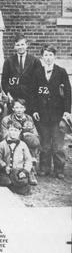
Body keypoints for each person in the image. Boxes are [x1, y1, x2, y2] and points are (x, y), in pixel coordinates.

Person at [32, 45, 71, 179]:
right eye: (46, 55)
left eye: (50, 55)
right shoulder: (37, 72)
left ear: (54, 56)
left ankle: (59, 169)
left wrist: (67, 111)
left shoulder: (61, 72)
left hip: (57, 114)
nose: (48, 58)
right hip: (42, 115)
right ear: (42, 57)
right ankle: (44, 167)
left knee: (58, 144)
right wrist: (35, 110)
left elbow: (67, 93)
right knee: (45, 143)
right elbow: (33, 93)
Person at [0, 98, 39, 185]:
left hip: (24, 143)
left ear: (25, 108)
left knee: (31, 140)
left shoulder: (29, 118)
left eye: (21, 108)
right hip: (11, 143)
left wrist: (27, 136)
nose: (19, 110)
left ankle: (30, 171)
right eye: (16, 108)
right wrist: (20, 137)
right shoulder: (6, 119)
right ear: (13, 109)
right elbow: (4, 135)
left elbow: (35, 134)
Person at [1, 34, 41, 114]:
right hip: (14, 98)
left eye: (22, 44)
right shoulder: (9, 61)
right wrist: (9, 94)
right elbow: (4, 80)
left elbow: (39, 81)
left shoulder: (35, 61)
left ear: (27, 45)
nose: (20, 47)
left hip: (30, 99)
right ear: (14, 47)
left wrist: (35, 97)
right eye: (18, 45)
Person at [0, 121, 33, 194]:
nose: (13, 133)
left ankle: (21, 183)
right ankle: (11, 185)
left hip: (18, 171)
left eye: (15, 130)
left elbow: (28, 160)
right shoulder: (2, 144)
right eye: (11, 130)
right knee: (5, 182)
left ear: (20, 131)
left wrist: (25, 171)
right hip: (6, 171)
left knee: (23, 185)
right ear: (7, 130)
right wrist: (4, 166)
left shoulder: (23, 145)